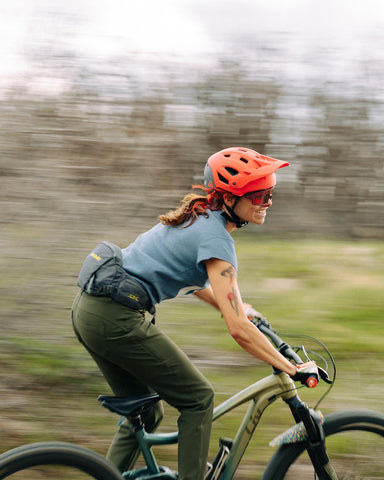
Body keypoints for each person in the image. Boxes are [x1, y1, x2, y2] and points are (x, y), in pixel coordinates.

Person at [71, 146, 318, 480]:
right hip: (116, 319)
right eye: (260, 195)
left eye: (271, 194)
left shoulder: (199, 215)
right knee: (199, 398)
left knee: (146, 411)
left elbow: (194, 279)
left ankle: (108, 474)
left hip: (92, 310)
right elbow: (239, 330)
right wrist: (290, 367)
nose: (268, 202)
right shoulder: (216, 238)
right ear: (231, 197)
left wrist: (234, 305)